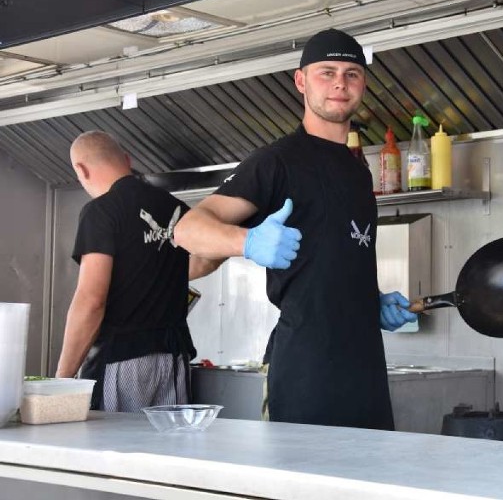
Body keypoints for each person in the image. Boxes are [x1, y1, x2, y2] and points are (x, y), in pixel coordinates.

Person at [174, 28, 417, 430]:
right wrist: (248, 241)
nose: (340, 82)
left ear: (363, 85)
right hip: (306, 368)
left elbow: (333, 258)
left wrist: (369, 300)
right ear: (301, 81)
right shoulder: (277, 162)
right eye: (327, 71)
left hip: (366, 367)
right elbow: (188, 229)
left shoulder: (358, 170)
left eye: (351, 73)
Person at [56, 130, 212, 411]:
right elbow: (206, 259)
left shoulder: (101, 212)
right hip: (173, 359)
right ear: (127, 160)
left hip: (121, 359)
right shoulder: (174, 206)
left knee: (113, 450)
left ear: (80, 169)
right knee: (164, 449)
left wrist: (61, 380)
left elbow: (91, 300)